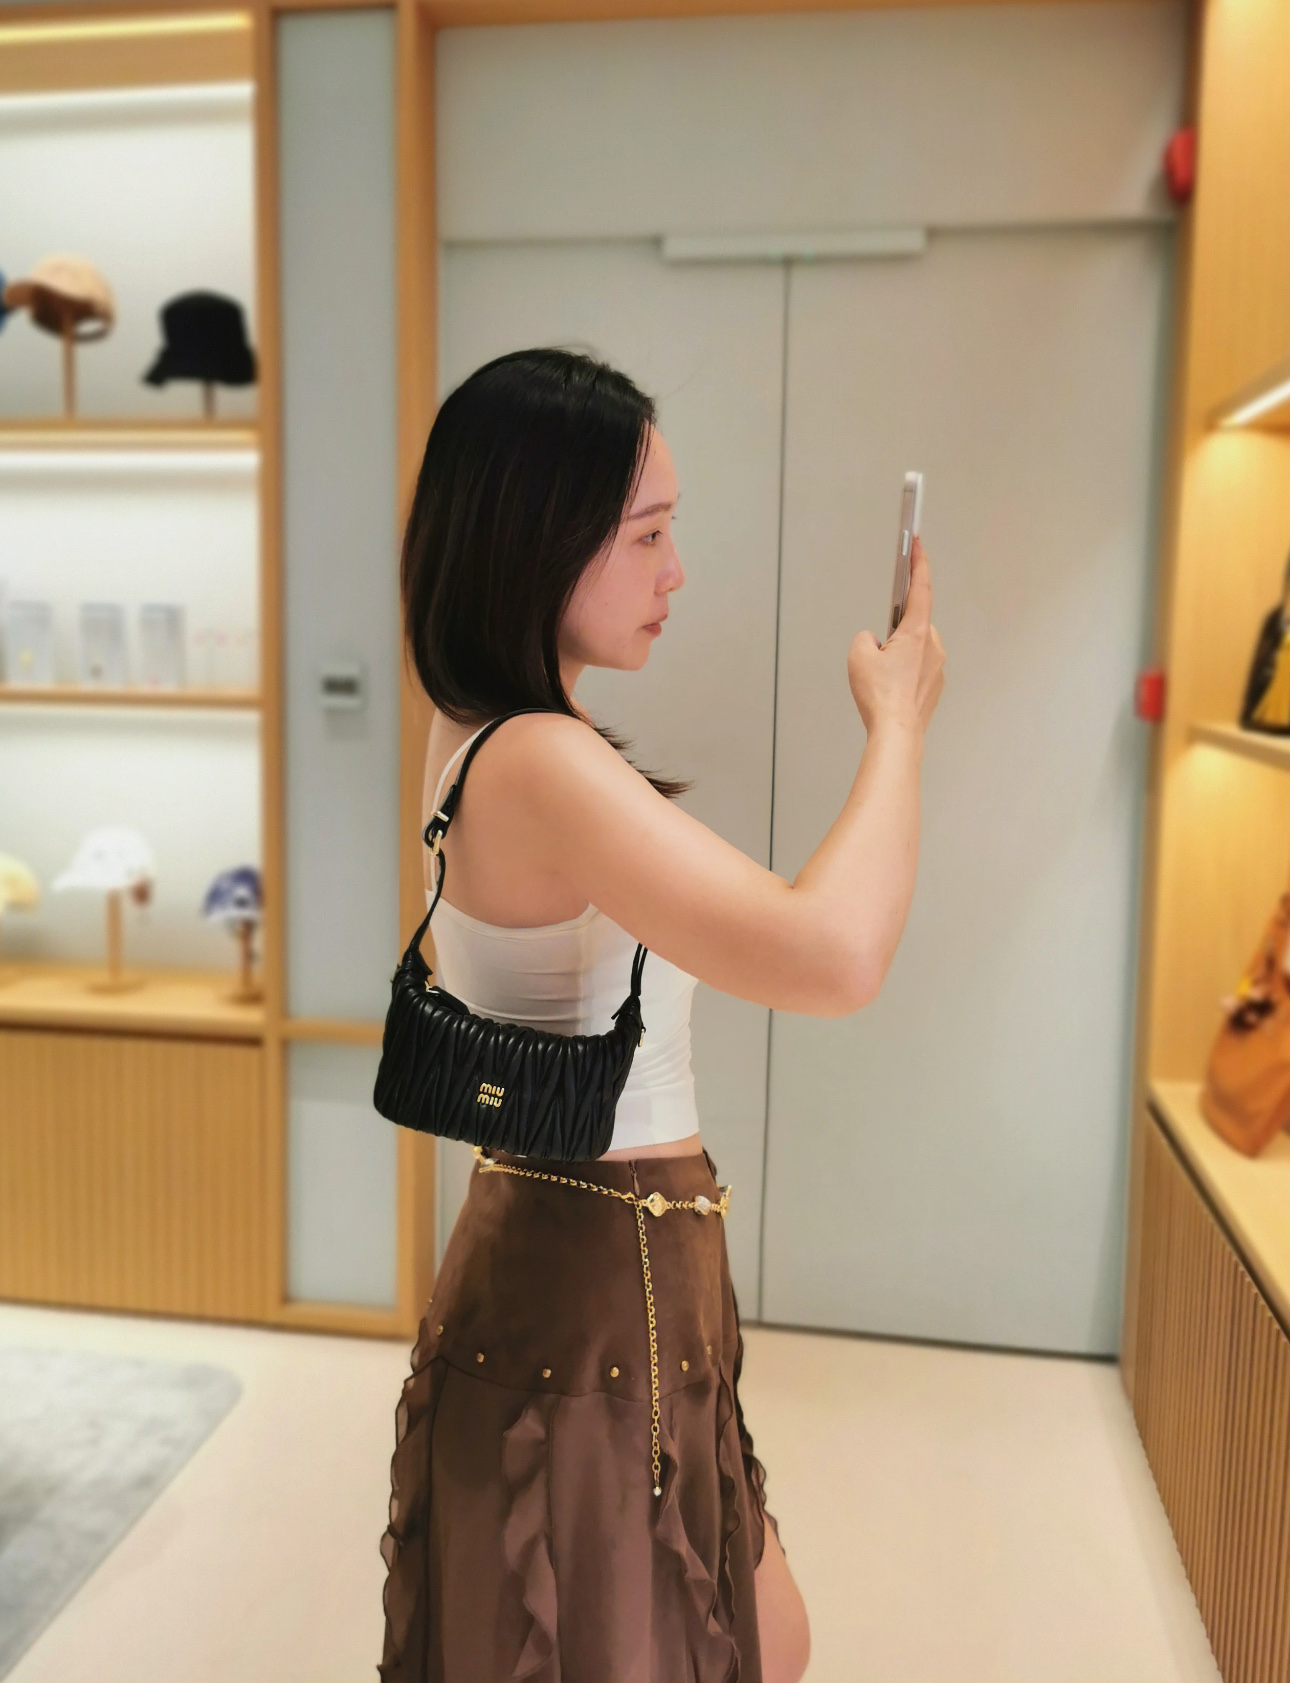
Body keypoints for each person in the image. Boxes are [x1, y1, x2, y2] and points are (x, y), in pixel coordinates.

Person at [379, 347, 945, 1683]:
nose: (674, 570)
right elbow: (833, 954)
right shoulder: (540, 759)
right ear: (539, 539)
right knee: (703, 1642)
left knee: (743, 1632)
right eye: (645, 535)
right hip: (599, 1277)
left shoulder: (482, 726)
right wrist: (899, 724)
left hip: (594, 1260)